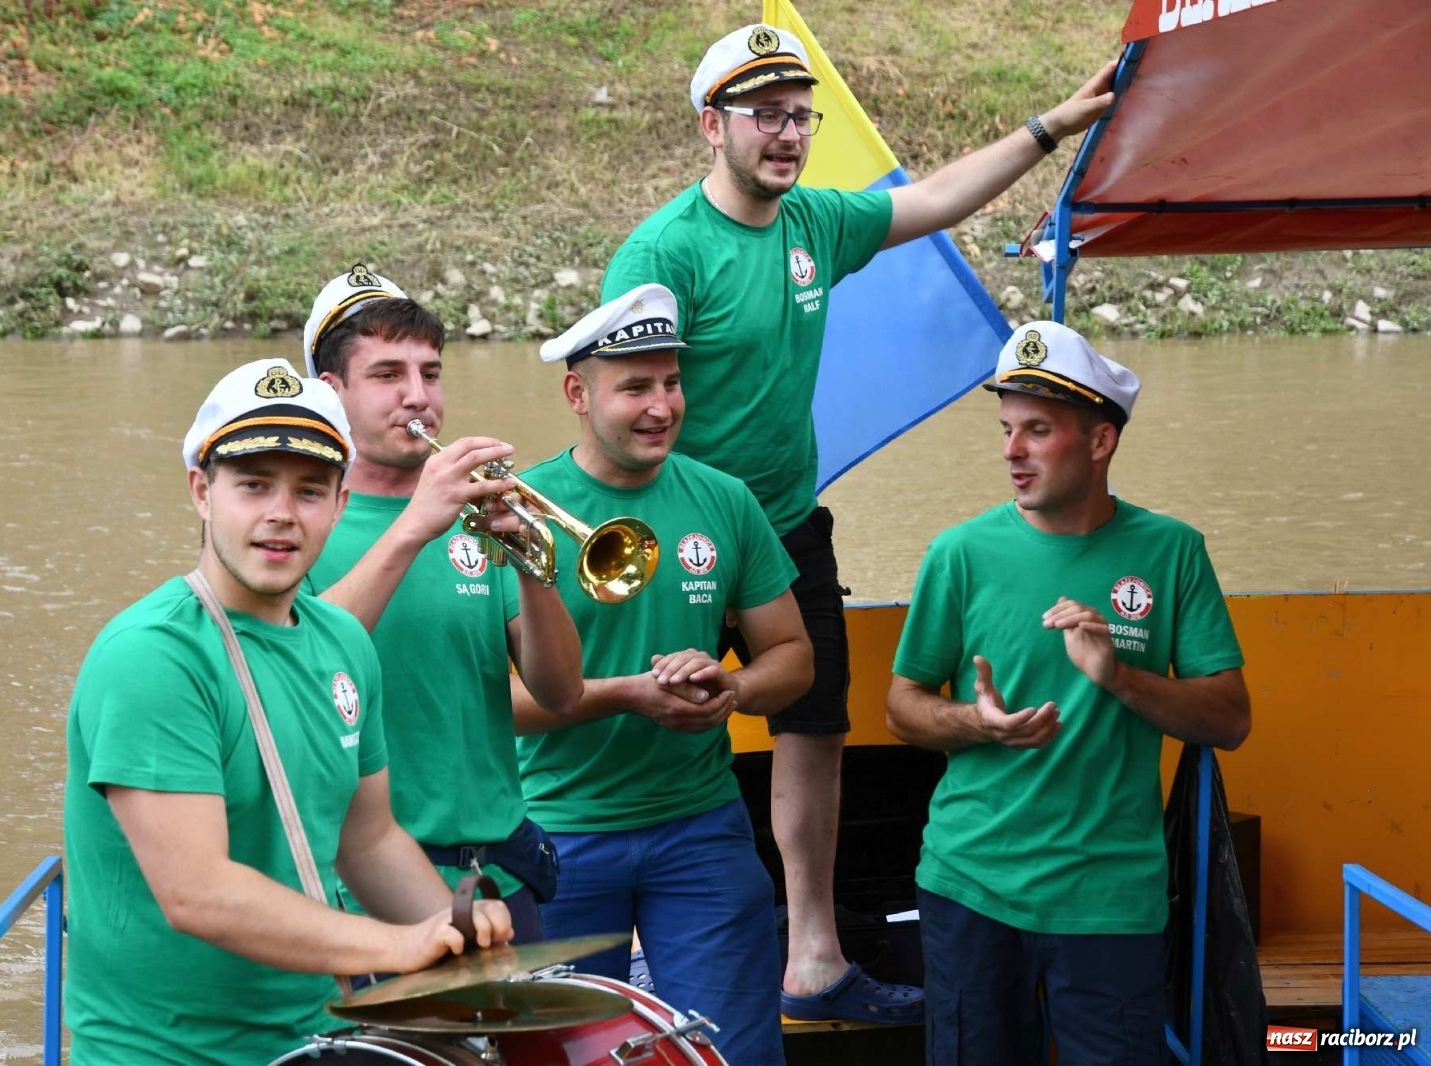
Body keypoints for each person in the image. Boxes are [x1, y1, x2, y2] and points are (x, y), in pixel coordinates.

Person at [599, 22, 1119, 1018]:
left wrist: (1047, 127)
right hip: (675, 533)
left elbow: (928, 201)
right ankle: (634, 962)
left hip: (785, 526)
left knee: (814, 724)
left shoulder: (814, 227)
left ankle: (813, 958)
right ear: (713, 126)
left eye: (799, 116)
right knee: (657, 721)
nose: (786, 134)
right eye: (764, 116)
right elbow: (619, 401)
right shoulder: (662, 252)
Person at [63, 358, 512, 1066]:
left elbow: (368, 839)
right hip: (164, 1054)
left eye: (309, 490)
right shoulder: (153, 657)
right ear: (201, 492)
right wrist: (398, 945)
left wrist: (457, 939)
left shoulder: (341, 642)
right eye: (253, 485)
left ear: (340, 504)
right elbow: (197, 892)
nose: (281, 513)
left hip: (311, 1036)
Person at [886, 321, 1252, 1065]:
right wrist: (975, 722)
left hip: (1111, 900)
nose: (1011, 452)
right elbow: (902, 705)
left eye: (1038, 431)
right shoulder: (958, 554)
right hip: (970, 886)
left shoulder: (1171, 551)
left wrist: (1118, 674)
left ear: (1098, 443)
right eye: (1007, 429)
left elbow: (1230, 717)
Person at [510, 284, 820, 1066]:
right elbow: (493, 705)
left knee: (733, 1054)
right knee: (563, 1056)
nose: (661, 407)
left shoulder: (725, 500)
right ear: (578, 394)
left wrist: (733, 689)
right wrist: (628, 697)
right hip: (559, 831)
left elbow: (794, 658)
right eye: (636, 387)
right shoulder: (515, 512)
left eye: (672, 383)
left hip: (701, 830)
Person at [298, 267, 583, 944]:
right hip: (365, 893)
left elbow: (561, 693)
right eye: (388, 375)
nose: (417, 398)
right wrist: (414, 524)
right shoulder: (296, 525)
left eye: (430, 373)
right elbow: (297, 668)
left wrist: (533, 567)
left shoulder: (474, 518)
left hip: (501, 882)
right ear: (330, 393)